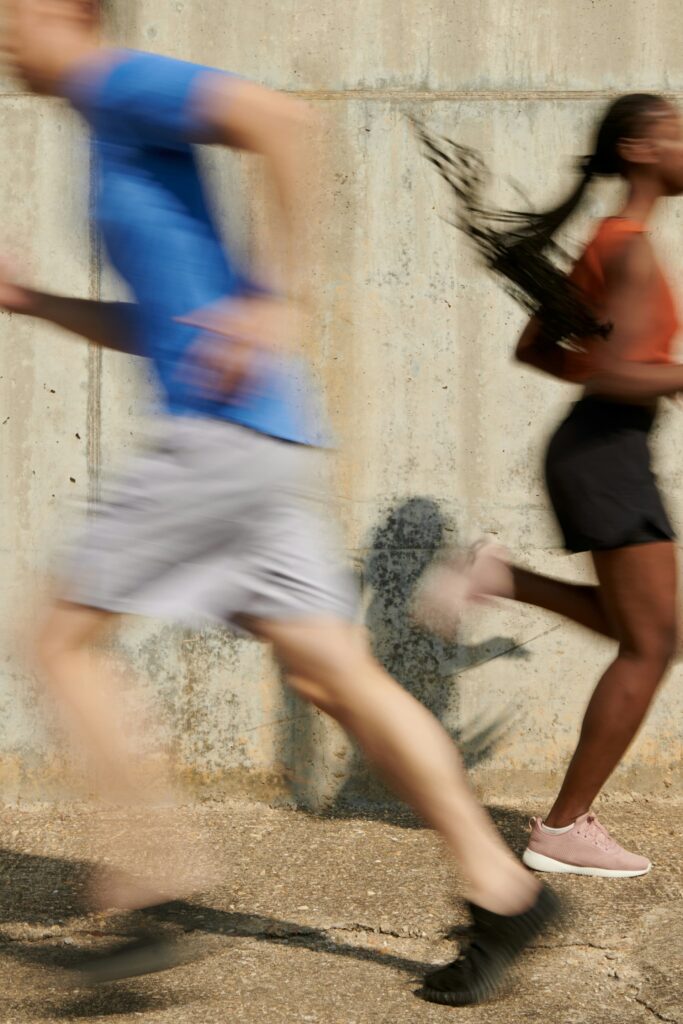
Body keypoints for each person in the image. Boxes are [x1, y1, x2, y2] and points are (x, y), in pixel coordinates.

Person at [1, 0, 560, 1002]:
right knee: (332, 674)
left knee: (55, 640)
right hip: (263, 438)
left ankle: (153, 871)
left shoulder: (119, 85)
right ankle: (504, 889)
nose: (4, 34)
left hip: (218, 440)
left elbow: (281, 121)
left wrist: (277, 296)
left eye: (14, 12)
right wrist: (31, 301)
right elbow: (163, 326)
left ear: (70, 11)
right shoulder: (106, 128)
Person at [415, 93, 683, 878]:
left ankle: (501, 578)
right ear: (637, 149)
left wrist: (638, 373)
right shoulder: (626, 249)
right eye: (677, 131)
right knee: (651, 644)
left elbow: (537, 349)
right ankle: (562, 828)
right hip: (604, 454)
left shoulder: (610, 241)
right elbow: (612, 373)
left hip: (600, 449)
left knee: (645, 632)